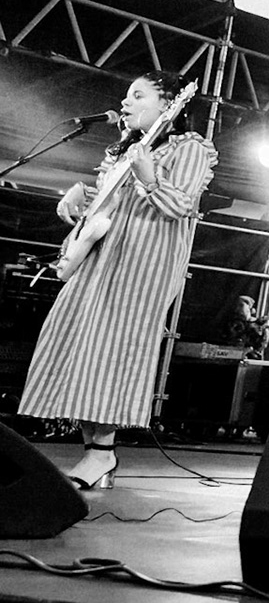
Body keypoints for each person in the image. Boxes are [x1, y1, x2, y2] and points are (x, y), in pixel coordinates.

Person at [19, 70, 218, 490]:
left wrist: (148, 175)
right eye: (127, 96)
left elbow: (180, 205)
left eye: (138, 96)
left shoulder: (191, 148)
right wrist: (78, 196)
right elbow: (109, 201)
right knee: (79, 341)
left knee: (113, 348)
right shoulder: (125, 149)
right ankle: (92, 449)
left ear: (169, 105)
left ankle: (103, 451)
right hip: (102, 258)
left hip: (143, 262)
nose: (126, 103)